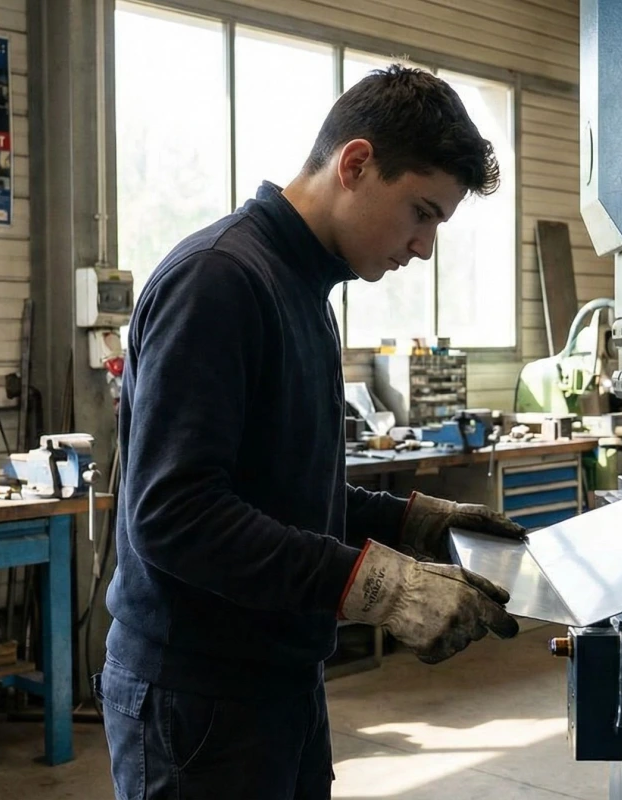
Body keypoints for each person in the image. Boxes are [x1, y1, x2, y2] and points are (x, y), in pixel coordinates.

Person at [97, 64, 528, 799]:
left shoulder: (306, 289)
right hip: (198, 702)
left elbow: (287, 487)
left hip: (279, 684)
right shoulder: (219, 280)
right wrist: (378, 587)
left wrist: (417, 523)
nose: (423, 248)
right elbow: (176, 516)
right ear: (355, 164)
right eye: (421, 213)